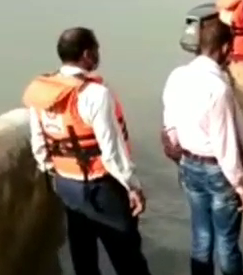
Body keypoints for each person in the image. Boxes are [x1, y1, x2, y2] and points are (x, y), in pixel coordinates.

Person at [21, 27, 152, 275]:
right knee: (128, 259)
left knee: (83, 259)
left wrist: (57, 170)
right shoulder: (95, 94)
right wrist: (133, 187)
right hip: (101, 188)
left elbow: (39, 147)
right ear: (86, 54)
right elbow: (111, 152)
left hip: (67, 186)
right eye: (96, 50)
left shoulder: (43, 92)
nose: (98, 55)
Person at [161, 19, 243, 275]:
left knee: (201, 236)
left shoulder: (177, 76)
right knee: (227, 241)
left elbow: (170, 122)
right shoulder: (218, 87)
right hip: (217, 170)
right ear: (225, 48)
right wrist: (241, 185)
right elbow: (224, 144)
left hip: (189, 165)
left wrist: (180, 150)